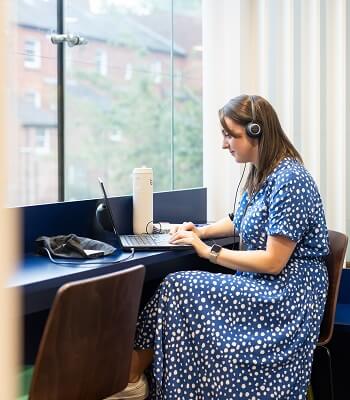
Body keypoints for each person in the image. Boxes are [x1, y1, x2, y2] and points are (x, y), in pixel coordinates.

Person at [107, 95, 330, 400]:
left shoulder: (290, 180)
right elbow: (242, 220)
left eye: (230, 135)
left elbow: (274, 261)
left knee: (178, 287)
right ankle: (132, 377)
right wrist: (199, 230)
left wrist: (207, 250)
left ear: (256, 132)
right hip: (266, 284)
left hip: (287, 294)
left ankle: (131, 378)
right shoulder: (263, 172)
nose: (225, 144)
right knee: (175, 288)